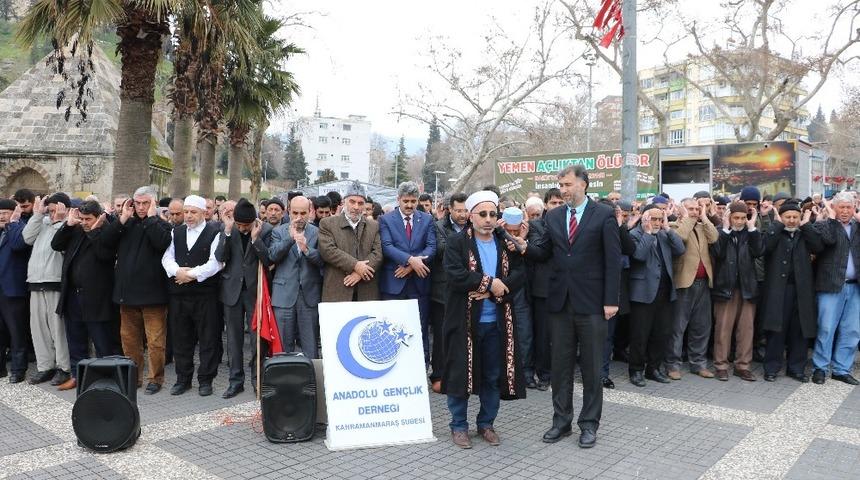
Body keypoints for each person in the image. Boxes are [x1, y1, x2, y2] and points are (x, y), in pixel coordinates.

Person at [535, 165, 621, 449]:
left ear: (583, 184)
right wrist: (521, 245)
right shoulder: (555, 215)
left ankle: (589, 425)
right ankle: (561, 422)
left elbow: (612, 260)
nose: (563, 189)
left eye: (568, 184)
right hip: (560, 302)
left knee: (592, 367)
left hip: (593, 303)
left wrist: (611, 300)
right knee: (560, 367)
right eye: (561, 184)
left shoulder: (604, 215)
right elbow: (545, 251)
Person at [442, 190, 526, 449]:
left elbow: (521, 274)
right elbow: (455, 275)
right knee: (460, 375)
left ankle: (486, 423)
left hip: (497, 321)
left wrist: (491, 290)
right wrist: (489, 282)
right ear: (470, 216)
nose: (488, 219)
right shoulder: (457, 243)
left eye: (493, 214)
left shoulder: (505, 243)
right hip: (464, 321)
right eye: (483, 214)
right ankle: (458, 426)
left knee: (492, 375)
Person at [99, 187, 172, 395]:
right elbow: (105, 242)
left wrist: (151, 219)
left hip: (153, 295)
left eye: (145, 203)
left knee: (155, 342)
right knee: (130, 342)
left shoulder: (161, 225)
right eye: (137, 203)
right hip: (127, 294)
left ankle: (155, 379)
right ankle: (134, 377)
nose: (140, 207)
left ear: (153, 203)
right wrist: (122, 219)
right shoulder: (125, 224)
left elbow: (161, 243)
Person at [51, 200, 119, 391]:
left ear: (99, 217)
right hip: (73, 295)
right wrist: (68, 224)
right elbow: (56, 245)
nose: (84, 222)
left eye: (88, 219)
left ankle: (109, 378)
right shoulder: (76, 229)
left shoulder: (107, 231)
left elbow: (104, 255)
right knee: (75, 339)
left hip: (97, 298)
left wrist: (95, 232)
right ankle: (77, 376)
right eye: (81, 218)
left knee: (101, 340)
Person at [161, 195, 224, 396]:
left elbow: (216, 263)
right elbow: (167, 258)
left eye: (192, 212)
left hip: (205, 296)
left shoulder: (215, 232)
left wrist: (190, 275)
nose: (188, 216)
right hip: (179, 295)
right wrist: (177, 272)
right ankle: (183, 379)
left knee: (208, 338)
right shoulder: (176, 232)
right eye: (186, 212)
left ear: (204, 213)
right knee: (181, 338)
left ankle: (206, 380)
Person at [216, 198, 270, 398]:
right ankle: (235, 381)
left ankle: (258, 380)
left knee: (257, 339)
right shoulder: (228, 230)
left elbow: (268, 259)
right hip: (231, 292)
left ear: (253, 221)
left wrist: (256, 240)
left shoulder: (264, 231)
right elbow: (220, 257)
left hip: (255, 292)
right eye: (239, 224)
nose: (242, 228)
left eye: (245, 225)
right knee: (233, 338)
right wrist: (229, 232)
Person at [379, 182, 437, 365]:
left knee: (419, 329)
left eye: (413, 201)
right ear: (398, 200)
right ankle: (392, 367)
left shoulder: (427, 219)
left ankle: (422, 367)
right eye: (406, 201)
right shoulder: (386, 219)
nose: (410, 205)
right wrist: (410, 260)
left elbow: (431, 247)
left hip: (419, 284)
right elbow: (387, 247)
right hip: (394, 284)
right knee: (392, 329)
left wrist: (412, 265)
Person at [627, 205, 685, 387]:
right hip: (643, 293)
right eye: (654, 219)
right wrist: (648, 233)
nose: (658, 223)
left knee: (661, 334)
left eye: (660, 219)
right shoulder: (635, 234)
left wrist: (668, 228)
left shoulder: (664, 233)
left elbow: (680, 249)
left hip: (665, 292)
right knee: (640, 335)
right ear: (645, 219)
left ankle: (653, 368)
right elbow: (639, 255)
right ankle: (636, 370)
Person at [806, 192, 860, 385]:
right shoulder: (823, 224)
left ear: (854, 208)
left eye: (849, 207)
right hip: (830, 285)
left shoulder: (858, 227)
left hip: (855, 288)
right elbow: (825, 242)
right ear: (834, 208)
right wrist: (829, 217)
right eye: (841, 207)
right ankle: (820, 367)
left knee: (852, 330)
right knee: (826, 328)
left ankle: (841, 369)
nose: (845, 211)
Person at [761, 200, 817, 383]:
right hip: (779, 291)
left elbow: (819, 246)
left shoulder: (805, 234)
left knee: (799, 330)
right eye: (788, 217)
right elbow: (764, 247)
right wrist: (777, 225)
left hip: (802, 291)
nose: (792, 221)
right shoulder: (775, 232)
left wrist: (806, 225)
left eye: (795, 217)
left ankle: (796, 368)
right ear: (781, 217)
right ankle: (771, 368)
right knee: (776, 330)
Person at [710, 202, 764, 382]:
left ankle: (743, 366)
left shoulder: (751, 233)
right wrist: (725, 230)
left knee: (746, 329)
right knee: (723, 329)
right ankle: (721, 365)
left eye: (743, 218)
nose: (740, 221)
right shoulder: (720, 232)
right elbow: (717, 253)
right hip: (726, 287)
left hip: (748, 288)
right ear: (729, 217)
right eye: (736, 218)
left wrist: (752, 228)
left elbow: (759, 251)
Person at [666, 198, 719, 380]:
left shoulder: (701, 226)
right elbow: (680, 238)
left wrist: (705, 217)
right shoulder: (674, 225)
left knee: (702, 326)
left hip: (704, 283)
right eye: (691, 208)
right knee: (677, 327)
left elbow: (715, 237)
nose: (695, 211)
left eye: (697, 209)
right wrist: (687, 218)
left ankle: (698, 363)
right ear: (682, 209)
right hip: (684, 283)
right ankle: (673, 364)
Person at [22, 194, 70, 385]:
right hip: (35, 282)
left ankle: (63, 367)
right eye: (48, 210)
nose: (51, 214)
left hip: (55, 282)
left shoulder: (68, 225)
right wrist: (37, 214)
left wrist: (59, 221)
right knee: (38, 328)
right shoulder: (41, 222)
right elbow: (27, 238)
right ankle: (45, 366)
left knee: (57, 329)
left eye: (53, 210)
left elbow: (59, 244)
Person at [269, 196, 323, 359]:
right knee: (284, 346)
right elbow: (272, 255)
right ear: (288, 211)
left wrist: (306, 249)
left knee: (310, 345)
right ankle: (284, 381)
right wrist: (290, 238)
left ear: (310, 212)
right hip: (284, 295)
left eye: (303, 213)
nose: (299, 217)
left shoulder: (318, 232)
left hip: (309, 295)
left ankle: (313, 381)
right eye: (295, 213)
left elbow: (323, 260)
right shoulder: (278, 231)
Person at [428, 192, 469, 393]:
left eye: (465, 210)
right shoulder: (437, 227)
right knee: (442, 336)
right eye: (458, 210)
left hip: (467, 290)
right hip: (442, 292)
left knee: (464, 335)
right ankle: (439, 375)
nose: (462, 214)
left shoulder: (474, 226)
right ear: (449, 210)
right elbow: (440, 251)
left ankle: (463, 375)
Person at [319, 182, 383, 302]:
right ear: (344, 202)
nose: (356, 207)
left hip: (366, 290)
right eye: (352, 202)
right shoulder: (328, 223)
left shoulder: (373, 226)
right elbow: (328, 251)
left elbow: (378, 253)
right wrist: (356, 265)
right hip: (338, 289)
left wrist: (360, 273)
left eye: (360, 203)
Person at [0, 199, 31, 383]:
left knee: (17, 332)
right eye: (0, 213)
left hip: (14, 289)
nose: (2, 216)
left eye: (5, 212)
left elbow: (18, 246)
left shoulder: (21, 228)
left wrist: (13, 223)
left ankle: (19, 370)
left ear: (15, 212)